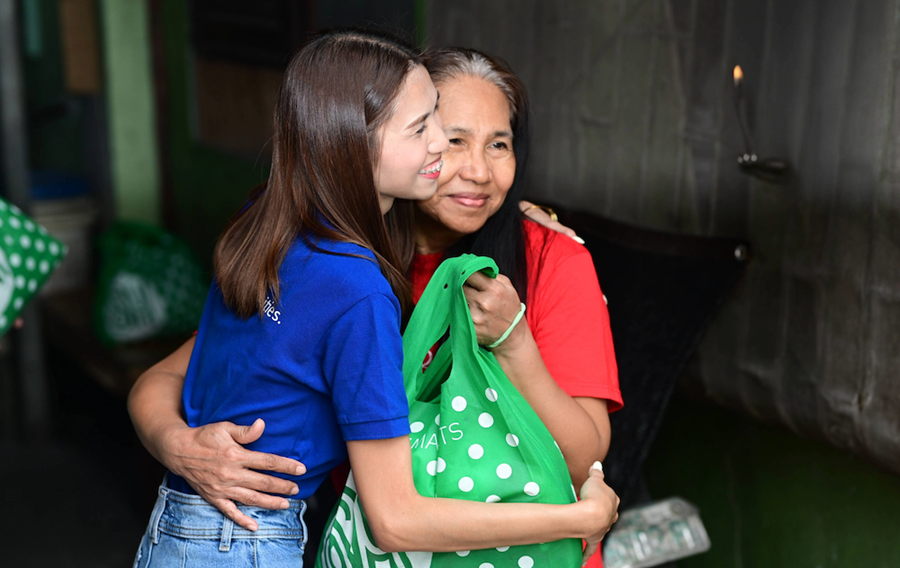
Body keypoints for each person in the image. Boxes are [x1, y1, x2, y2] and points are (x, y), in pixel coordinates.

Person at [130, 30, 618, 568]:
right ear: (356, 142)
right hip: (283, 539)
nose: (476, 170)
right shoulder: (344, 271)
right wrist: (180, 447)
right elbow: (394, 519)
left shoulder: (547, 259)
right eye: (439, 132)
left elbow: (584, 460)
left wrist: (514, 339)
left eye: (498, 145)